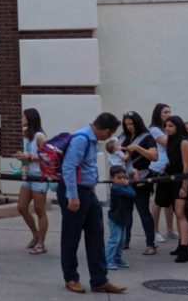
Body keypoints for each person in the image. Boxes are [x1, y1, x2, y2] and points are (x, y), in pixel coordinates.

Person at [57, 112, 126, 295]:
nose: (109, 137)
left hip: (88, 192)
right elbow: (68, 167)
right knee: (71, 237)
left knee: (96, 235)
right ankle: (71, 278)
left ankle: (99, 280)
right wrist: (72, 196)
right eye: (110, 133)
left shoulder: (92, 140)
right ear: (105, 130)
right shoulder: (82, 139)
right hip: (75, 193)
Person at [119, 111, 157, 254]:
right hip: (124, 179)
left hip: (141, 178)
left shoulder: (147, 137)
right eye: (127, 124)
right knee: (125, 212)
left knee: (143, 212)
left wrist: (137, 148)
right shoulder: (123, 137)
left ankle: (150, 243)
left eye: (132, 123)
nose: (129, 126)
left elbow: (154, 156)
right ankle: (125, 240)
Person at [161, 115, 188, 263]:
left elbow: (187, 166)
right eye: (166, 126)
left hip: (183, 181)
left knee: (181, 213)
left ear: (178, 127)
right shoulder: (171, 141)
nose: (168, 128)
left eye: (171, 126)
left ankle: (185, 248)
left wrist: (184, 187)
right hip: (173, 179)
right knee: (178, 213)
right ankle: (182, 244)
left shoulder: (184, 142)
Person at [16, 107, 49, 255]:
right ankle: (36, 234)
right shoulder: (26, 136)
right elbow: (27, 156)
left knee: (39, 209)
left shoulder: (39, 136)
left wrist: (29, 157)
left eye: (23, 116)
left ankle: (41, 242)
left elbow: (48, 157)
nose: (21, 119)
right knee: (21, 207)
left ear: (30, 118)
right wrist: (23, 164)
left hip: (39, 176)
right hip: (29, 175)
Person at [148, 103, 175, 244]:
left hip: (170, 166)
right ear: (158, 113)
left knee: (169, 200)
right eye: (165, 112)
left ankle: (170, 230)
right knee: (158, 200)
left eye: (169, 112)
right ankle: (154, 231)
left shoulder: (167, 128)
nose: (168, 114)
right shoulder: (154, 129)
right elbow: (166, 142)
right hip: (158, 167)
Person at [105, 165, 135, 271]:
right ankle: (107, 260)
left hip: (122, 217)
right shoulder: (116, 188)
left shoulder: (122, 187)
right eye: (119, 178)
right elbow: (132, 193)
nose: (122, 180)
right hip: (115, 218)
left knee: (121, 240)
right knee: (114, 240)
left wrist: (126, 185)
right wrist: (128, 185)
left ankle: (117, 258)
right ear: (112, 178)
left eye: (124, 177)